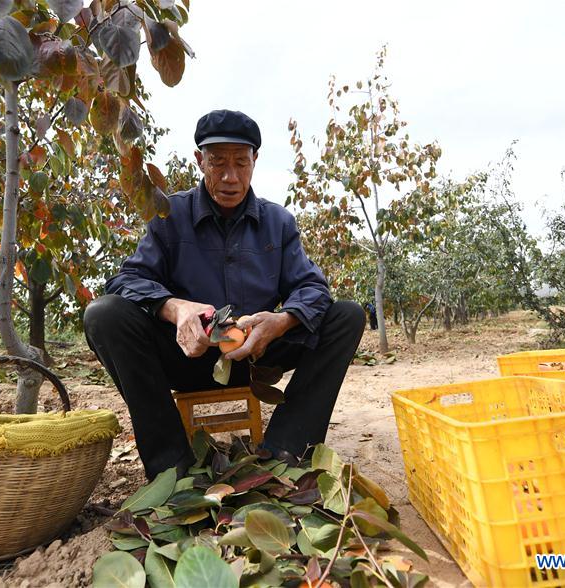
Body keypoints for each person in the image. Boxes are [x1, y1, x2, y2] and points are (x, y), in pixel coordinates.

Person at [84, 109, 365, 480]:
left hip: (255, 358)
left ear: (255, 162)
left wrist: (280, 323)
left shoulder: (277, 223)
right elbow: (127, 280)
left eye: (240, 162)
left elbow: (313, 288)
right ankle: (173, 466)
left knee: (346, 315)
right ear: (199, 160)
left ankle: (286, 450)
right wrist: (176, 309)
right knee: (103, 315)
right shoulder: (170, 215)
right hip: (186, 356)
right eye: (217, 163)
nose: (230, 177)